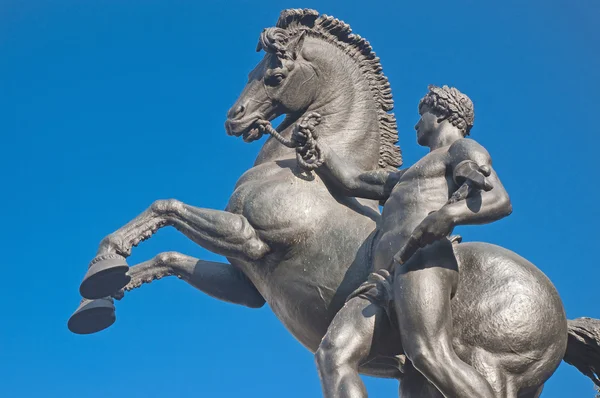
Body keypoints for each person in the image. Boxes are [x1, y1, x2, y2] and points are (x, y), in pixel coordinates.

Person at [300, 85, 513, 397]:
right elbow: (353, 180)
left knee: (427, 355)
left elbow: (499, 198)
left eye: (421, 115)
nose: (416, 124)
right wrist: (319, 146)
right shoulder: (408, 175)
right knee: (332, 354)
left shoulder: (462, 149)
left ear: (440, 113)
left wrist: (450, 214)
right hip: (381, 277)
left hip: (422, 262)